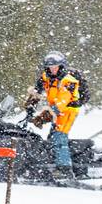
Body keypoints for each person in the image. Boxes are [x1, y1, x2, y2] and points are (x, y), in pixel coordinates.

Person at [27, 50, 86, 180]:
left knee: (59, 136)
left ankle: (65, 170)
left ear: (61, 66)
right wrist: (30, 105)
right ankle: (53, 163)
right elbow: (37, 90)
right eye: (50, 67)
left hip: (68, 111)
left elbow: (61, 103)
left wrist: (43, 117)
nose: (52, 70)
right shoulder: (46, 76)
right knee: (52, 137)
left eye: (55, 67)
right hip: (55, 111)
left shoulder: (68, 80)